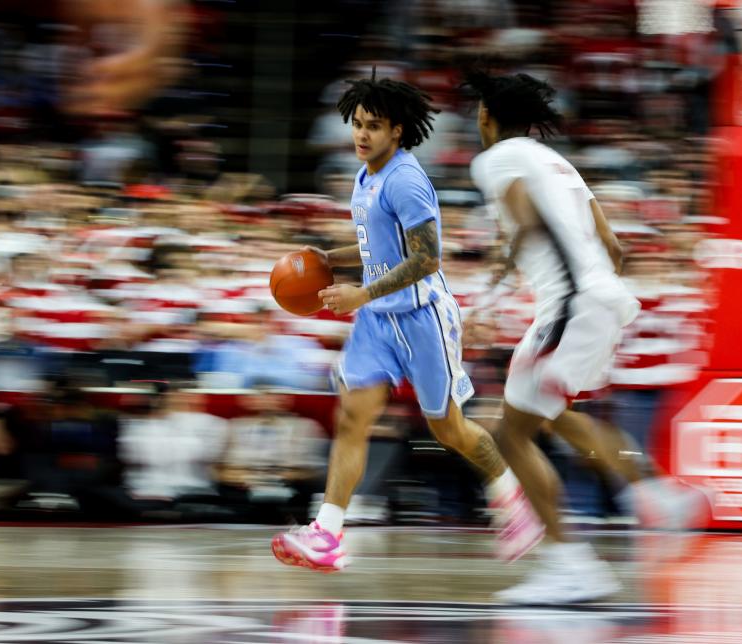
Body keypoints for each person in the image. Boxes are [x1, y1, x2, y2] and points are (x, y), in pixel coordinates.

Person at [271, 73, 542, 573]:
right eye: (356, 124)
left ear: (397, 130)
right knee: (352, 417)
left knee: (449, 429)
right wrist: (330, 255)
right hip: (377, 320)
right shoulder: (365, 175)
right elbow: (379, 245)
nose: (361, 134)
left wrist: (360, 291)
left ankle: (514, 502)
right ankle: (328, 532)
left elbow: (427, 258)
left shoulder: (405, 179)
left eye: (373, 126)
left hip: (423, 318)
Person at [464, 70, 704, 604]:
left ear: (485, 115)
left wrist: (489, 297)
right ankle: (658, 496)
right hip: (602, 302)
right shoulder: (560, 163)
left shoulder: (496, 160)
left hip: (570, 306)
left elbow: (524, 217)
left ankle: (572, 565)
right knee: (548, 415)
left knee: (510, 435)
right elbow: (613, 245)